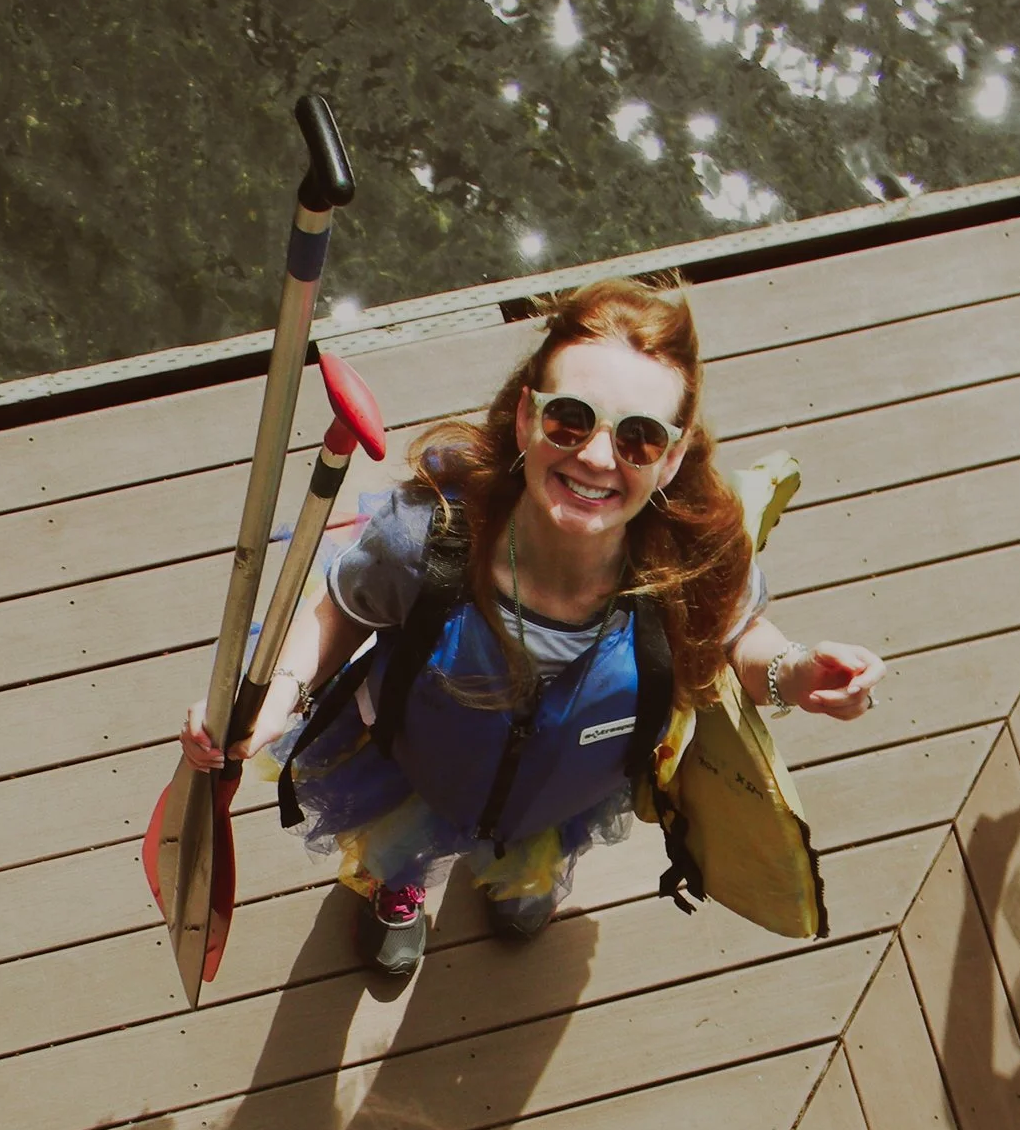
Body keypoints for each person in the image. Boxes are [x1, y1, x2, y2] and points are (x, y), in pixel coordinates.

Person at [180, 276, 886, 977]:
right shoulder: (427, 541)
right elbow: (341, 610)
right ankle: (398, 884)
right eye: (570, 420)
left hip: (566, 784)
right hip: (421, 765)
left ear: (672, 458)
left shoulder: (691, 564)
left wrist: (794, 671)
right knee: (398, 840)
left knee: (538, 846)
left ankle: (523, 877)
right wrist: (276, 696)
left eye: (639, 439)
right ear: (526, 419)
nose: (598, 458)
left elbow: (735, 636)